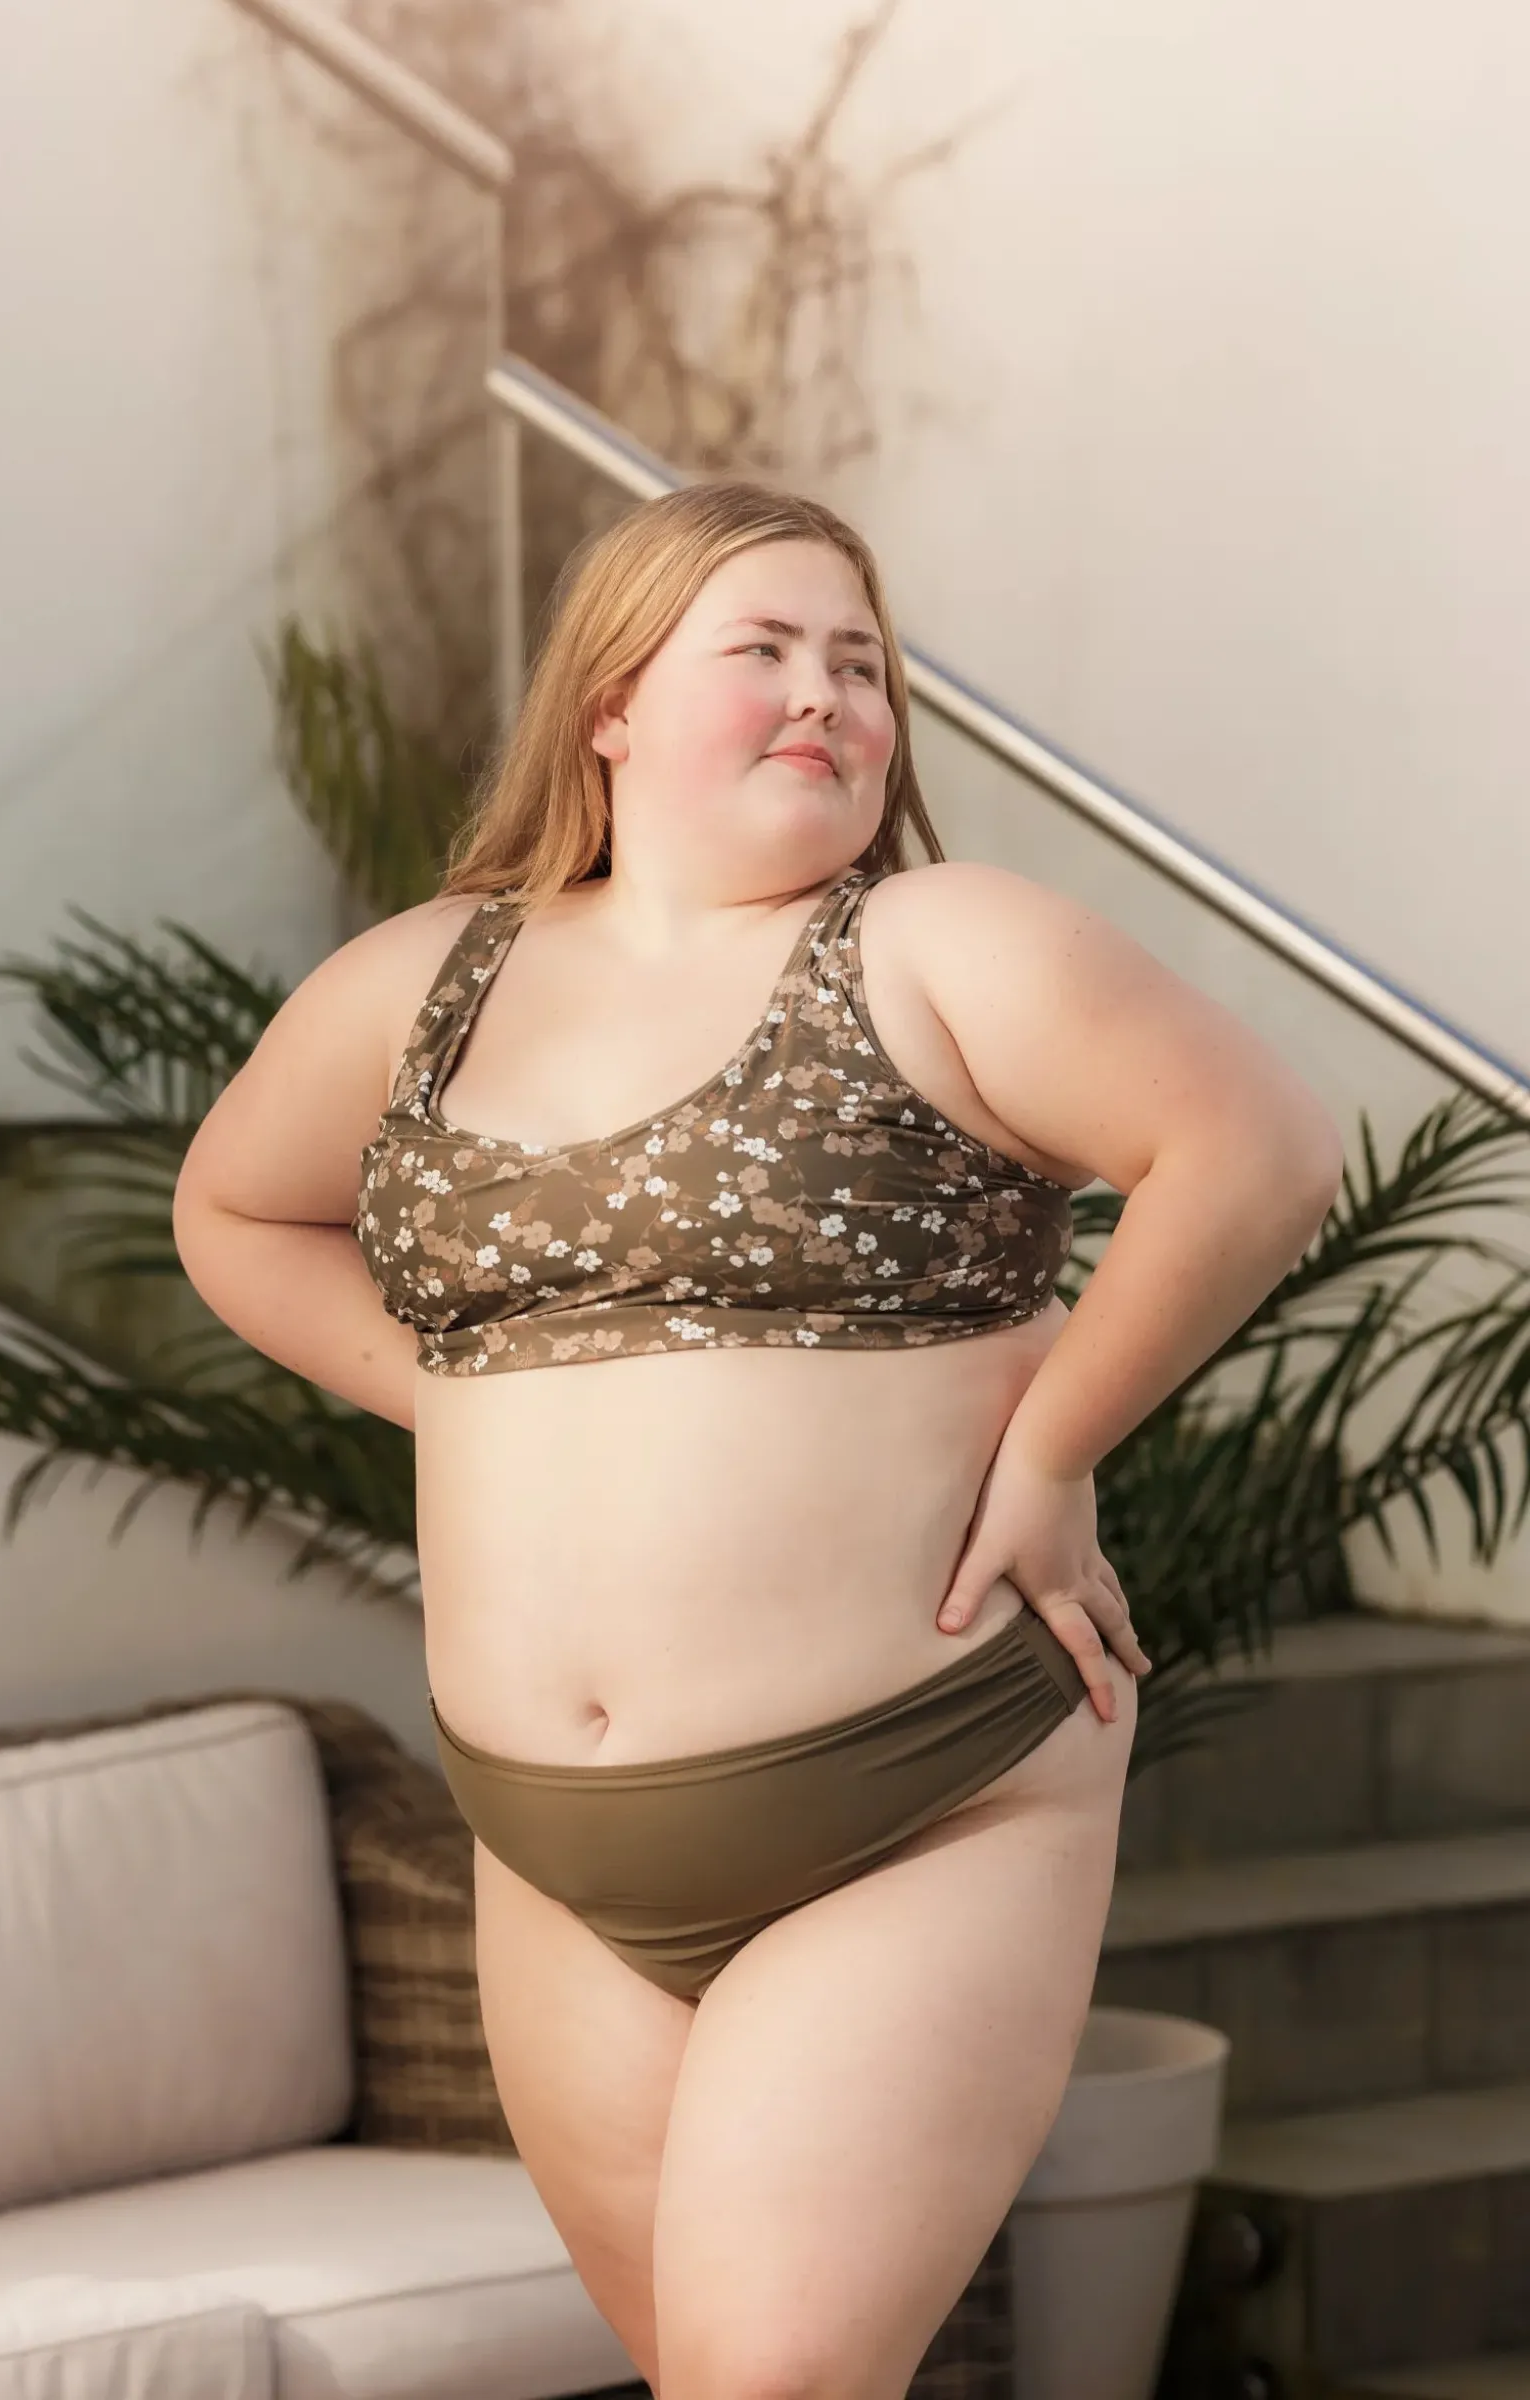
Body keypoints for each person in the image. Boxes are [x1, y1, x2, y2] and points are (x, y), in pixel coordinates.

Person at [173, 478, 1343, 2400]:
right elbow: (231, 1212)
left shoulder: (938, 941)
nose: (829, 695)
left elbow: (1260, 1148)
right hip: (554, 1856)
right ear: (612, 704)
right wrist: (467, 1399)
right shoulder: (431, 979)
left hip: (919, 1799)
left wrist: (1053, 1452)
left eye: (862, 666)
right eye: (768, 649)